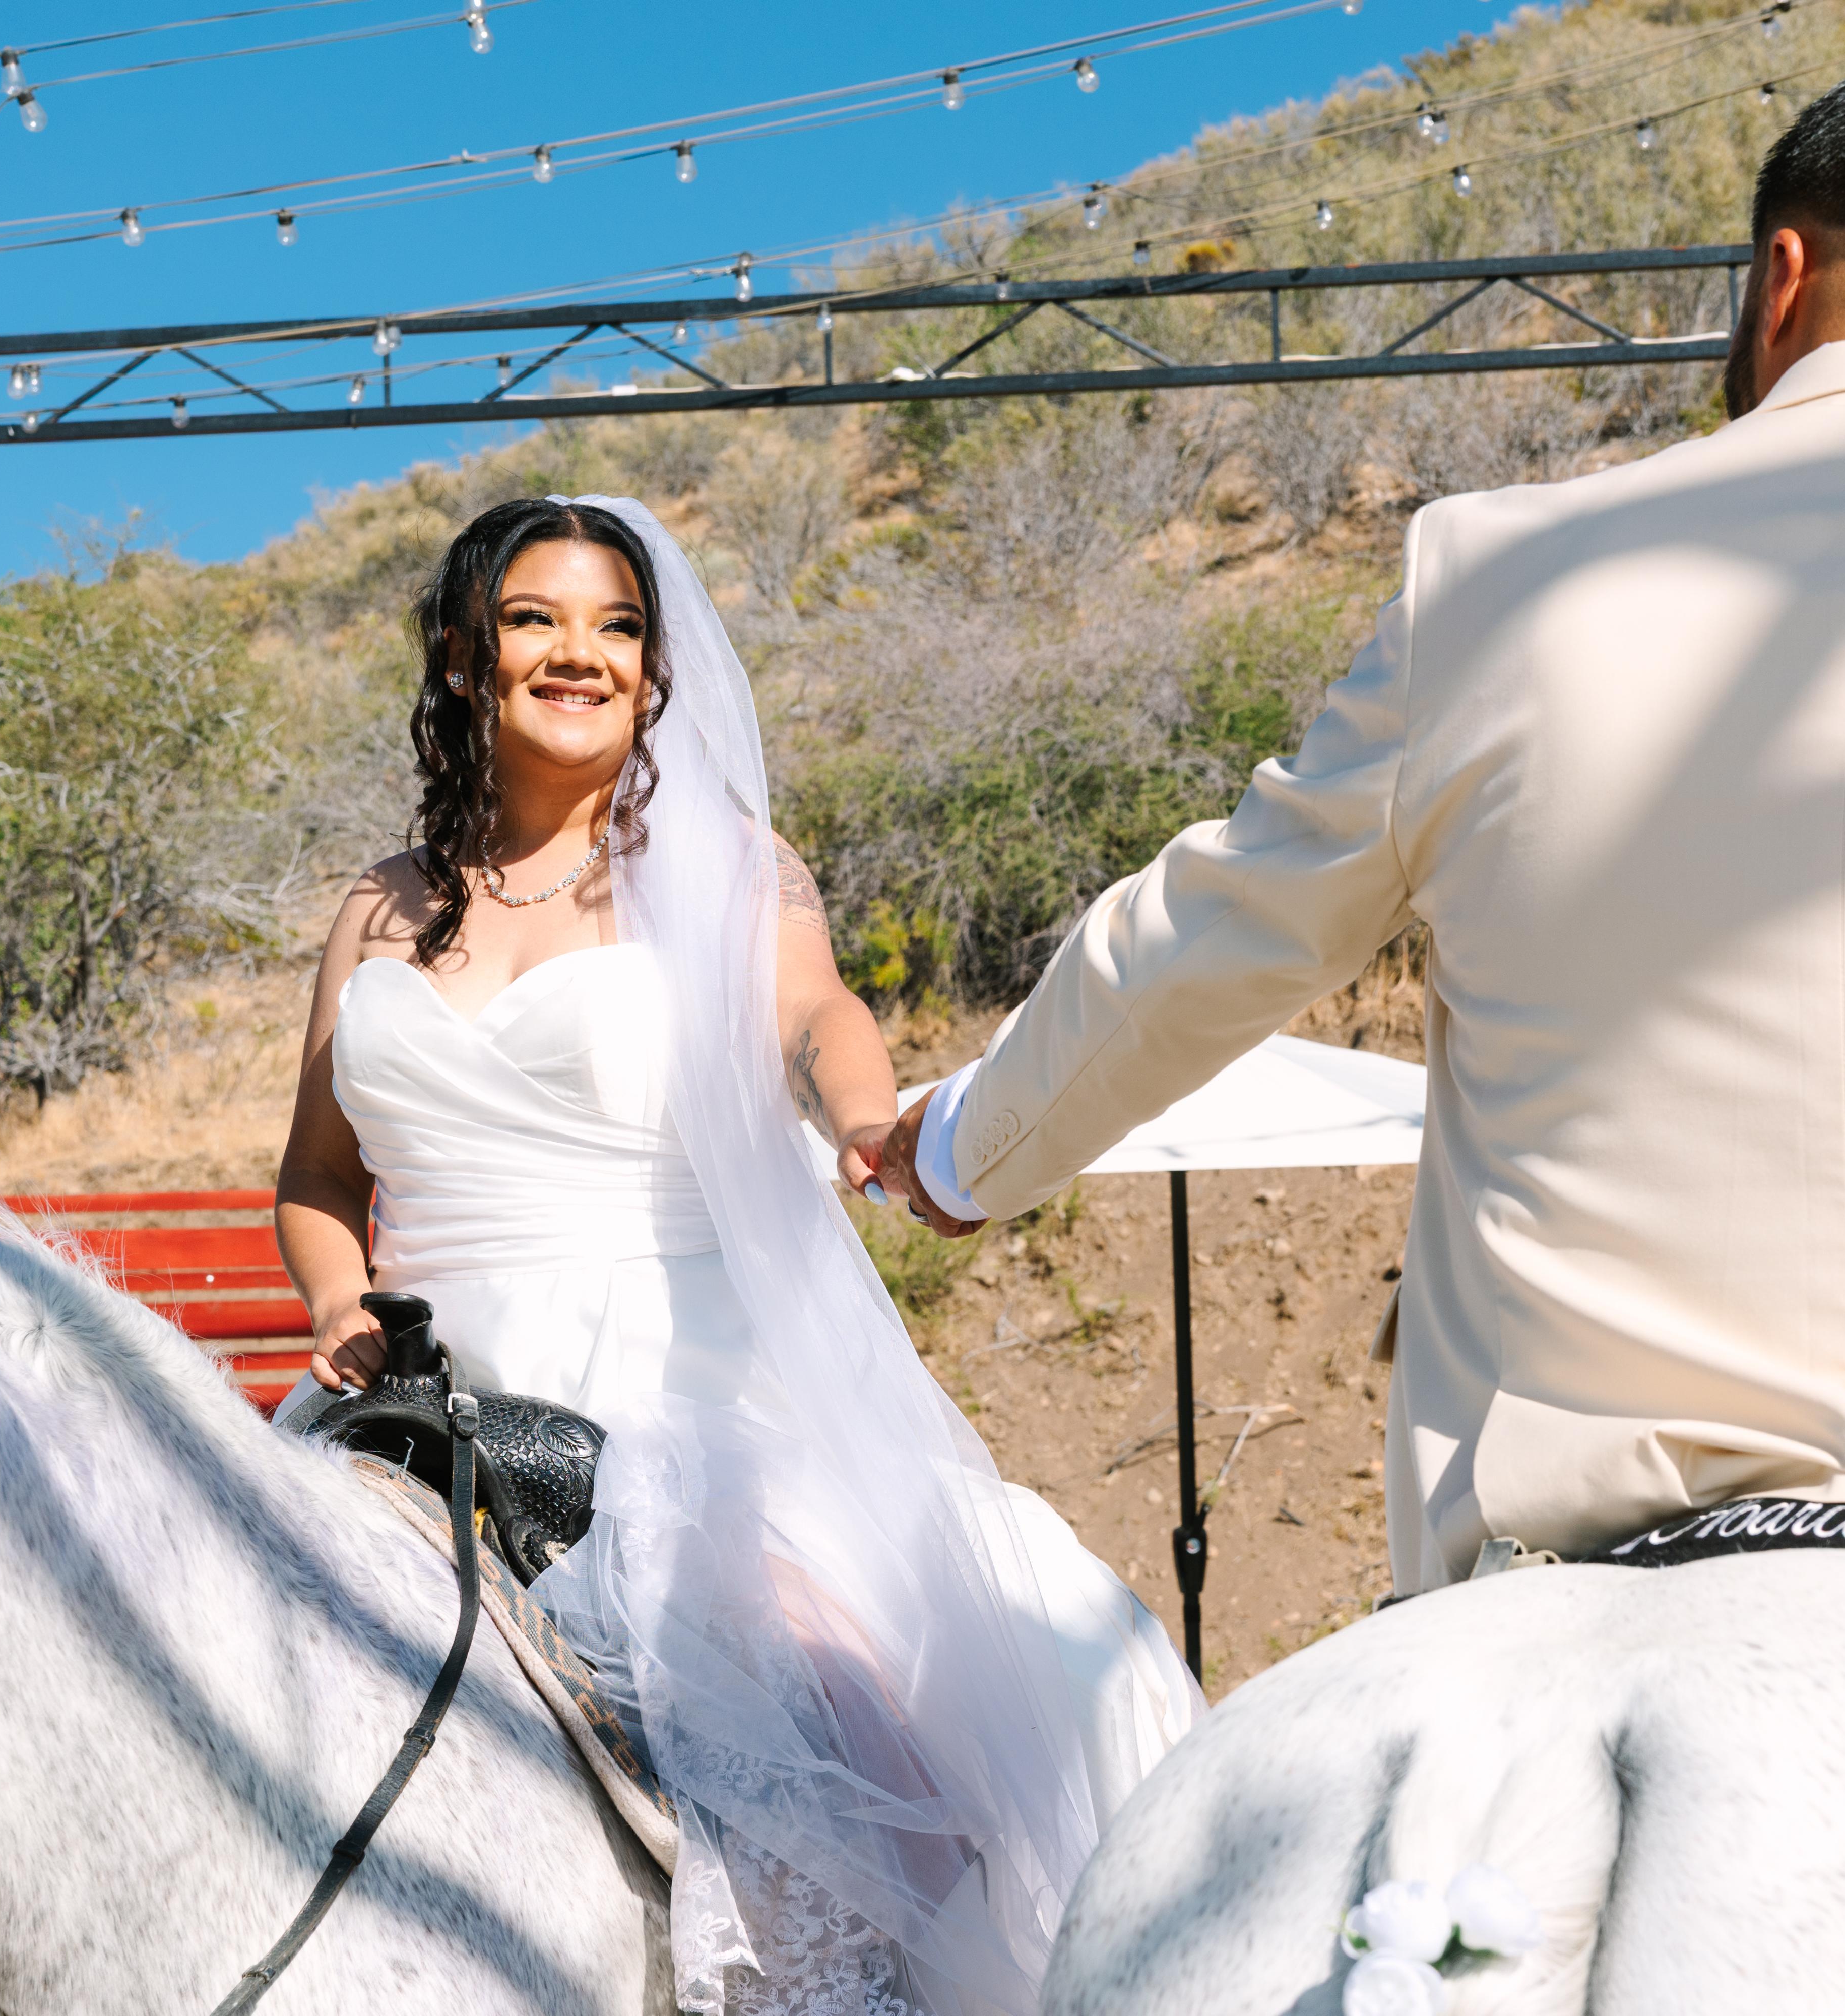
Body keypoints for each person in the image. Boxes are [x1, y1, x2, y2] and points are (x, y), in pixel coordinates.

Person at [882, 66, 1845, 1629]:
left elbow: (1213, 939)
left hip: (1593, 1547)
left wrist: (964, 1153)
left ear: (1780, 280)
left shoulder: (1492, 578)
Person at [272, 496, 1198, 2016]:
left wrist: (864, 1117)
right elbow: (320, 1172)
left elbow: (818, 1016)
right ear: (459, 655)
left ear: (655, 671)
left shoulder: (725, 869)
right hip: (419, 1409)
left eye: (619, 627)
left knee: (839, 1720)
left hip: (672, 1399)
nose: (581, 653)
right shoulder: (381, 907)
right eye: (534, 619)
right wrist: (333, 1298)